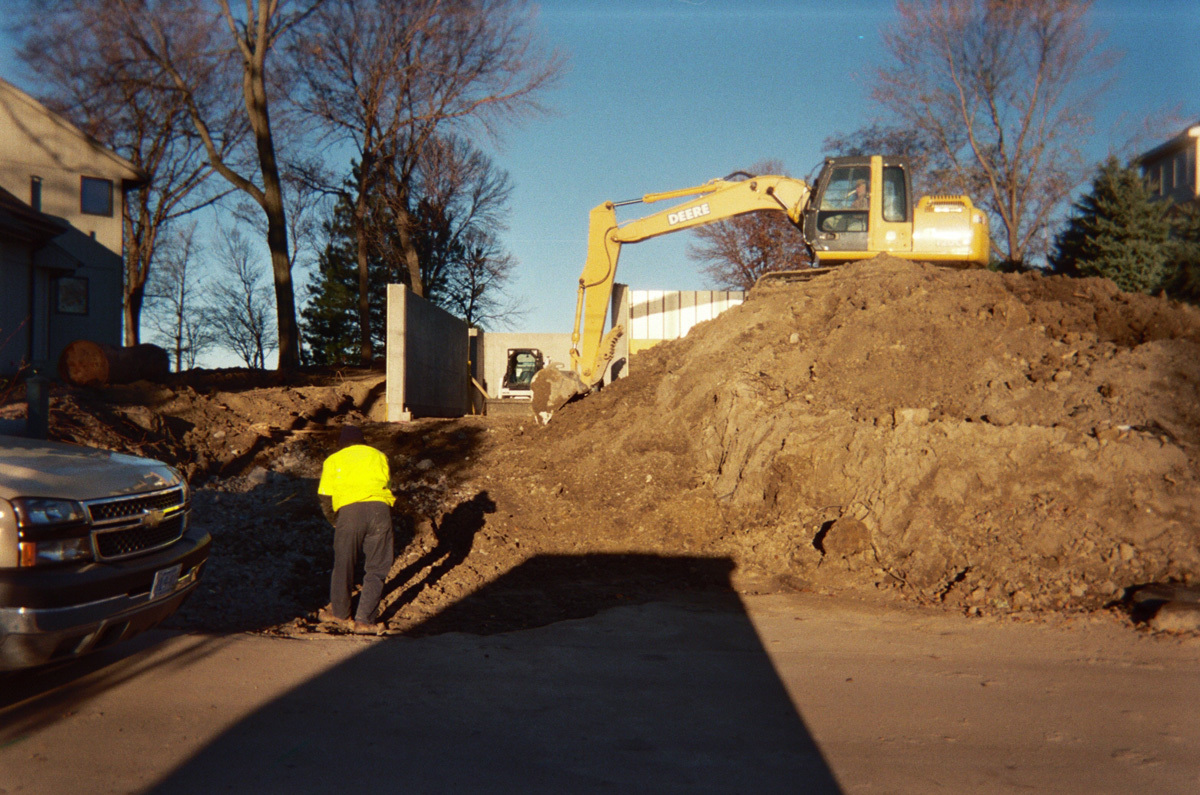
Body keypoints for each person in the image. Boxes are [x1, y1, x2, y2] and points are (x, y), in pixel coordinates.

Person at [317, 425, 395, 633]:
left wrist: (335, 520)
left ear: (341, 444)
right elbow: (387, 481)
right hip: (380, 510)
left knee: (344, 563)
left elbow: (325, 496)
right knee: (377, 568)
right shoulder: (379, 455)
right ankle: (364, 620)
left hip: (349, 514)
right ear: (363, 441)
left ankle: (340, 614)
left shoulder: (333, 460)